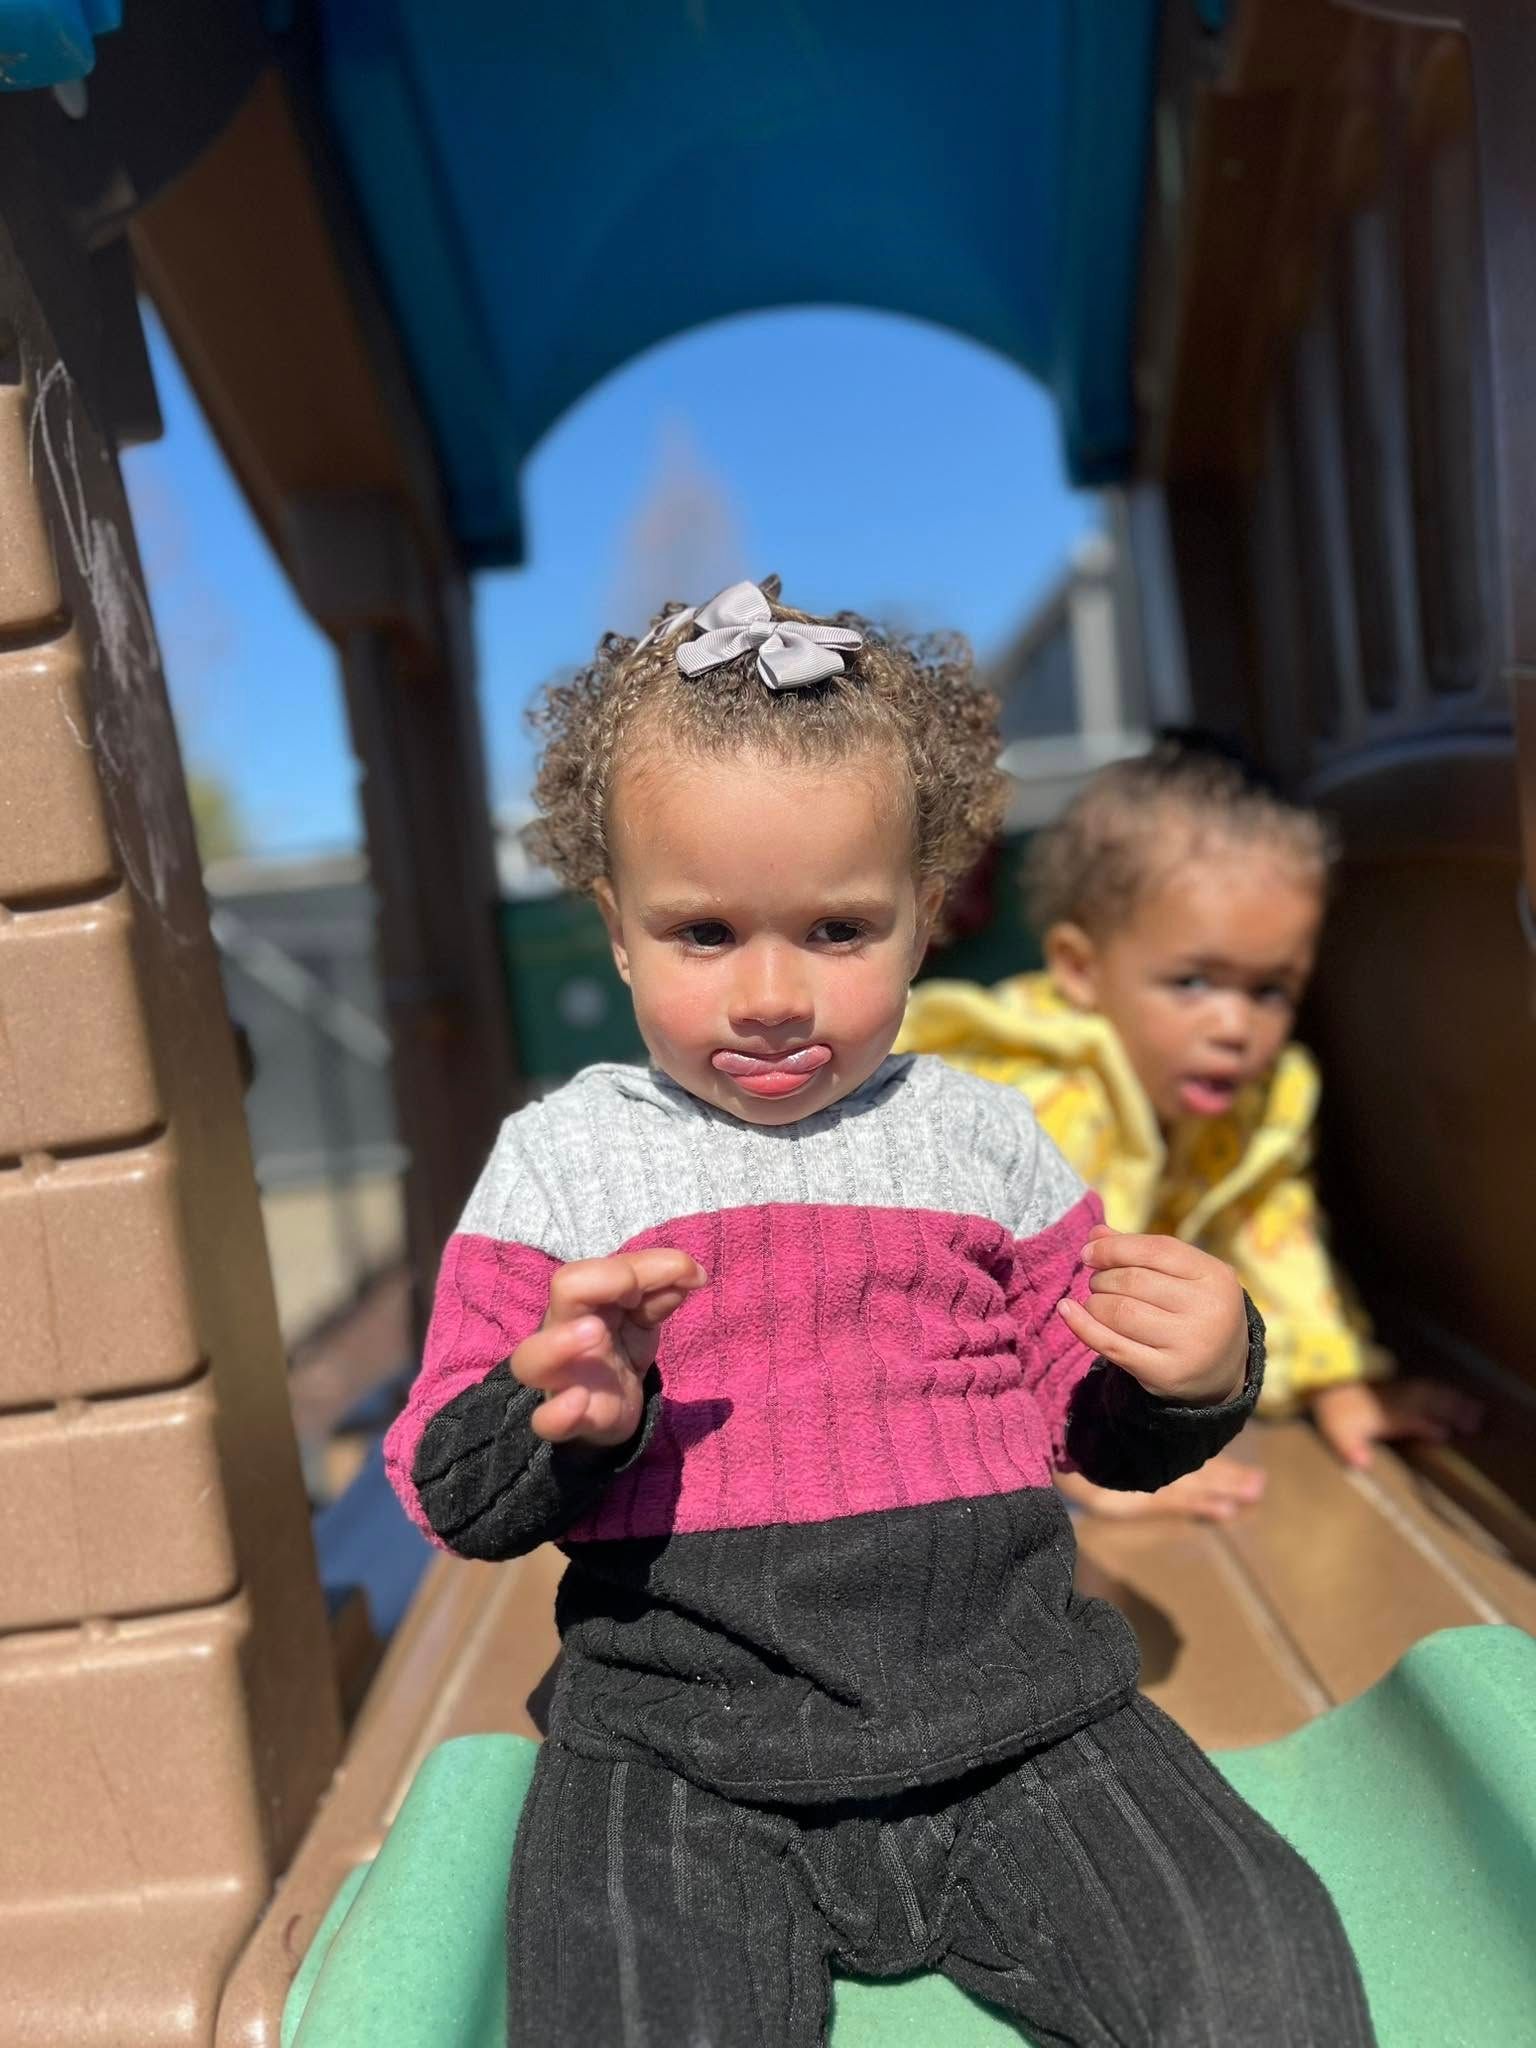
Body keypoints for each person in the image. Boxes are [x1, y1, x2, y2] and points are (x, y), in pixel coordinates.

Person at [384, 587, 1374, 2047]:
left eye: (842, 927)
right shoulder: (562, 1163)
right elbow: (446, 1486)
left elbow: (1091, 1420)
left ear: (925, 918)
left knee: (1264, 1978)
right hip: (676, 1753)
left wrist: (1200, 1375)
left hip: (1022, 1717)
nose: (775, 993)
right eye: (705, 930)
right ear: (615, 930)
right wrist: (558, 1418)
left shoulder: (987, 1142)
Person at [900, 737, 1480, 1523]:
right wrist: (1076, 1455)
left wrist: (1336, 1381)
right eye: (1194, 981)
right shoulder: (1041, 1095)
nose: (1235, 1027)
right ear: (1080, 968)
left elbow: (1271, 1235)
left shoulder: (1258, 1094)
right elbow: (1007, 1294)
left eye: (1271, 989)